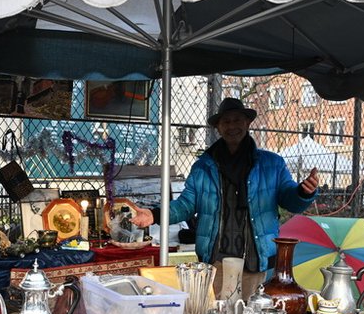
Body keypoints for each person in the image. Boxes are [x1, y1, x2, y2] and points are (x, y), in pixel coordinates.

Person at [133, 97, 319, 301]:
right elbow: (186, 204)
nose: (232, 126)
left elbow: (289, 198)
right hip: (216, 259)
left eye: (237, 120)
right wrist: (155, 214)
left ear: (247, 123)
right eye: (226, 121)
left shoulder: (272, 164)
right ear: (218, 128)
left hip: (254, 258)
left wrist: (304, 192)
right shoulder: (203, 166)